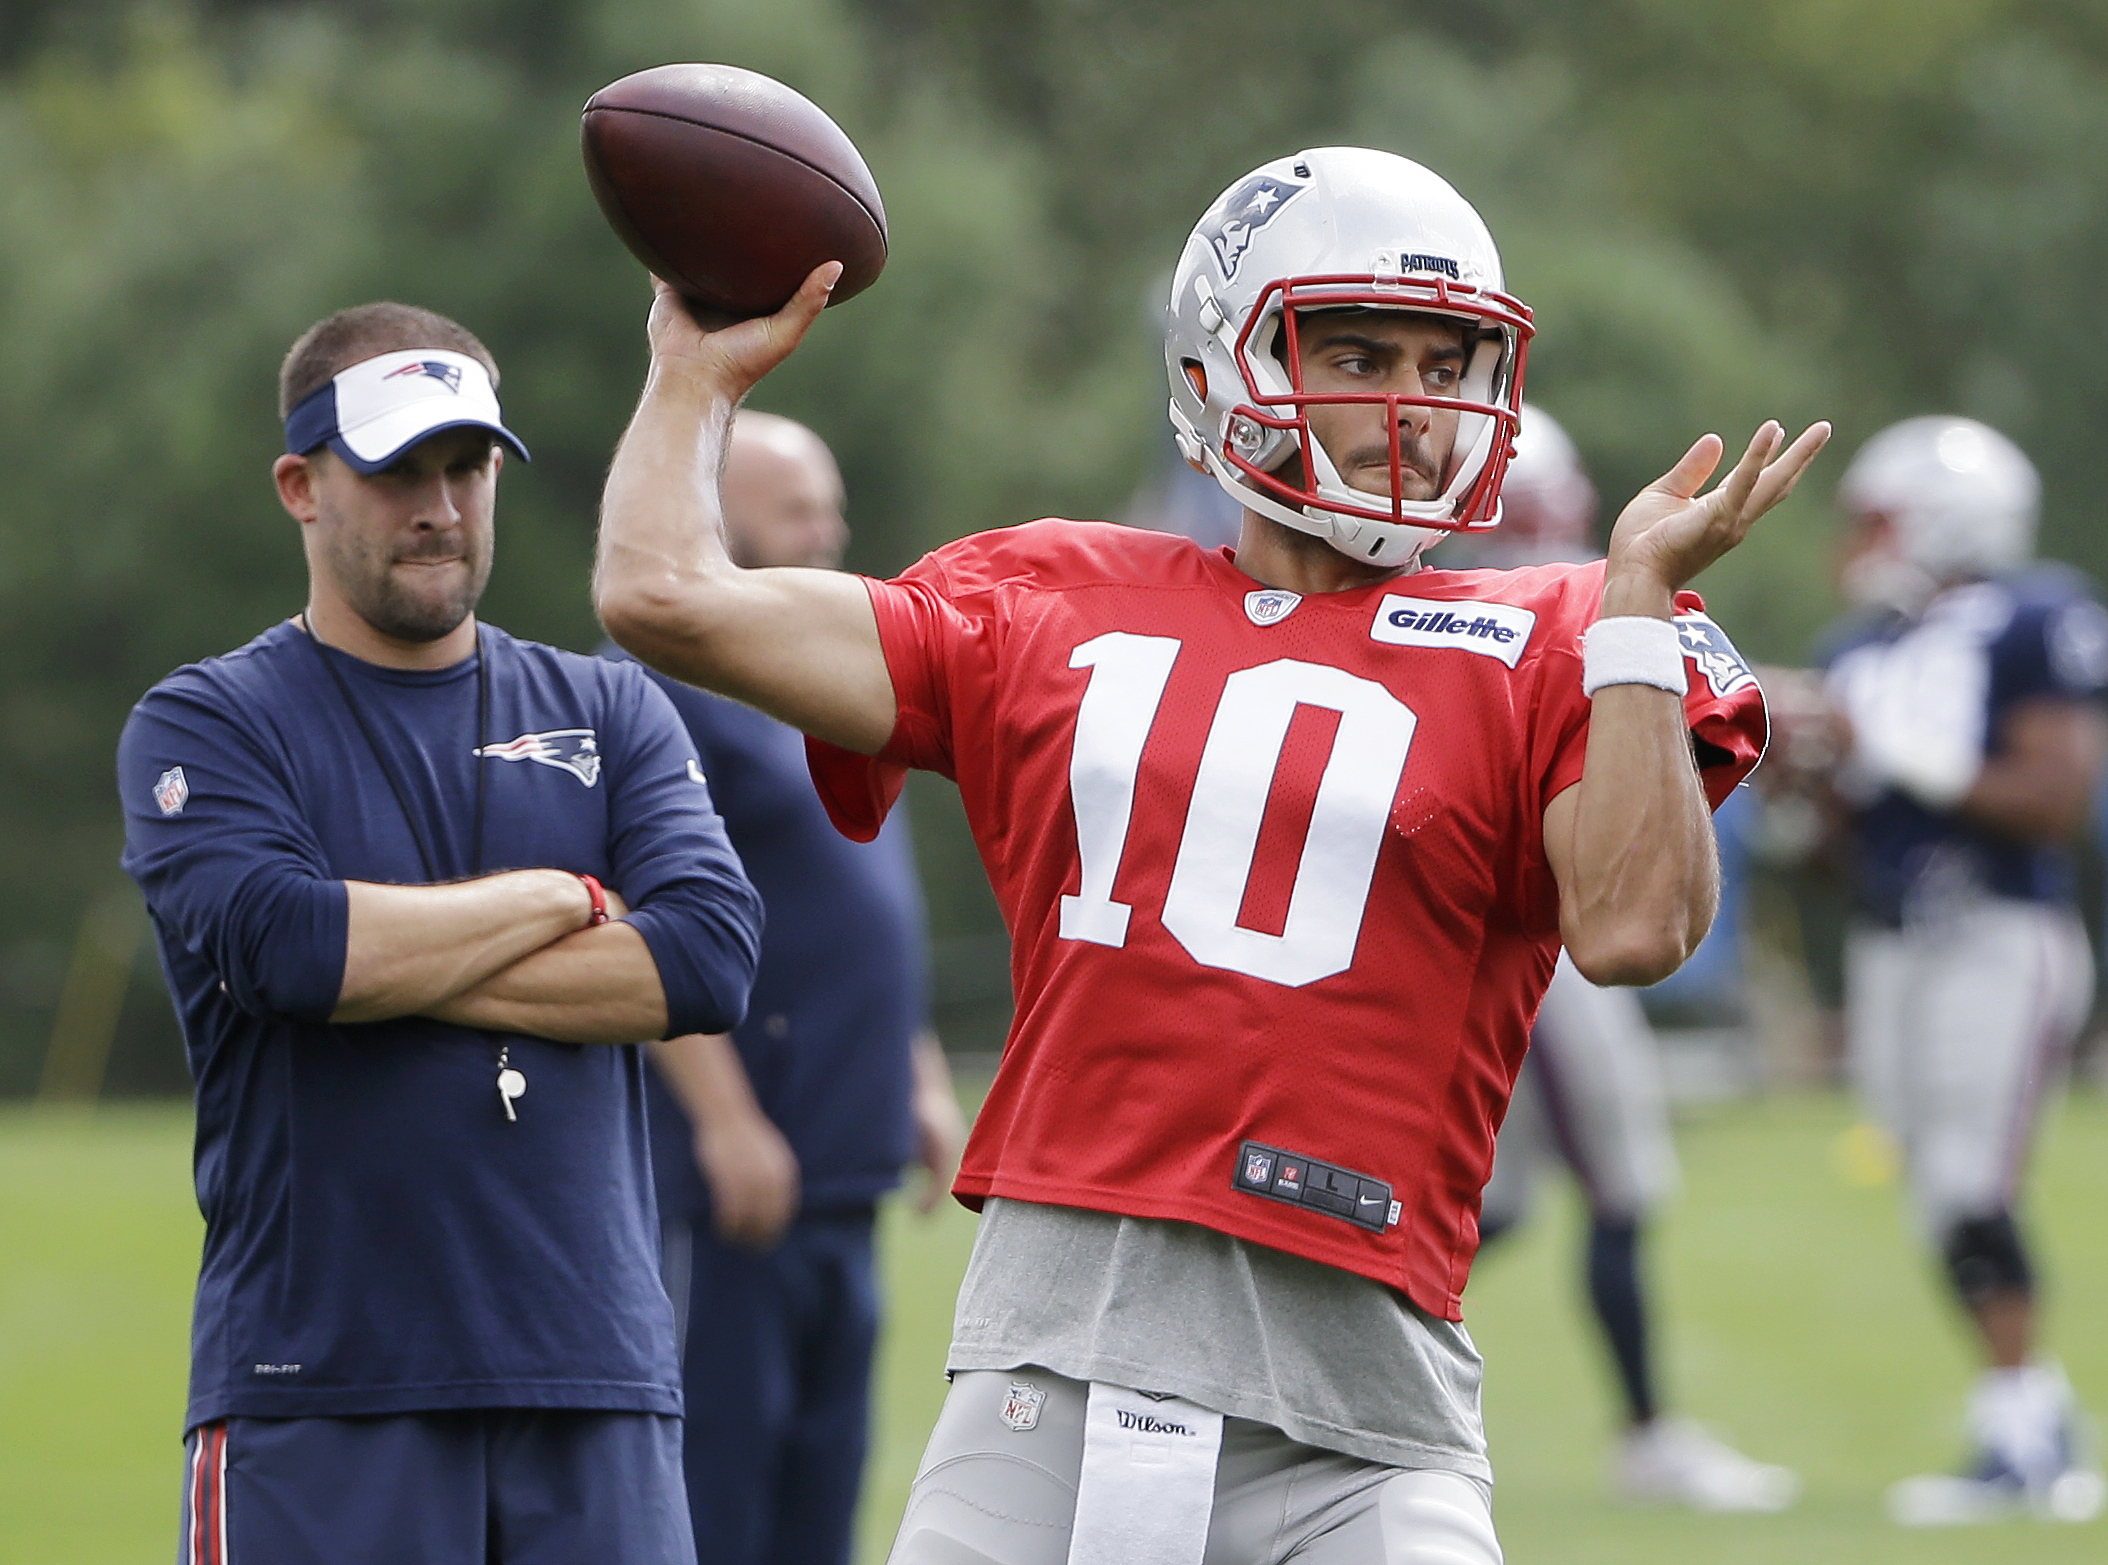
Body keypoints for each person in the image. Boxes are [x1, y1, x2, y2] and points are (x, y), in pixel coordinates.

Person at [596, 147, 1827, 1564]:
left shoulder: (1557, 635)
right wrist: (693, 372)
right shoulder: (1045, 597)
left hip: (1364, 1424)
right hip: (1043, 1384)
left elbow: (1633, 928)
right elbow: (663, 593)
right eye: (1357, 351)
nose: (1407, 409)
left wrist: (1634, 616)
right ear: (1213, 366)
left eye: (1445, 365)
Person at [118, 302, 763, 1565]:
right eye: (397, 469)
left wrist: (390, 961)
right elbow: (292, 949)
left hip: (597, 1379)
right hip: (320, 1386)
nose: (442, 504)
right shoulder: (208, 721)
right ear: (301, 486)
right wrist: (569, 897)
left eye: (466, 466)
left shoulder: (608, 703)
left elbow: (706, 957)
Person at [618, 411, 966, 1565]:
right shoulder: (668, 690)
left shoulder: (838, 672)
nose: (827, 534)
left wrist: (916, 1075)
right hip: (739, 1175)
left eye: (831, 509)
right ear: (717, 517)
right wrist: (723, 1122)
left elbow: (863, 906)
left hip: (846, 1164)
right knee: (718, 1493)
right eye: (796, 512)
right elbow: (639, 926)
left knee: (823, 1491)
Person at [1457, 407, 1798, 1513]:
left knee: (1493, 1203)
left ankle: (1317, 1344)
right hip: (1534, 933)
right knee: (1616, 1181)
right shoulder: (1507, 618)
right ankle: (1650, 1432)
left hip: (1505, 927)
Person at [1816, 415, 2108, 1525]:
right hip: (1895, 937)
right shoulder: (1864, 644)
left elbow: (2058, 798)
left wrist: (1909, 759)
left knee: (1968, 1185)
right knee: (1933, 1195)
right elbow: (1846, 834)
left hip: (1999, 929)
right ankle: (2028, 1424)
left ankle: (2028, 1439)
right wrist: (1813, 773)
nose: (1857, 545)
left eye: (1879, 521)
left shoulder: (2038, 612)